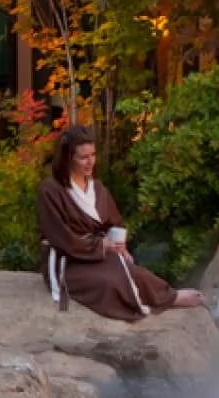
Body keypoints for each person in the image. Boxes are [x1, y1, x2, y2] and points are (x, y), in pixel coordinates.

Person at [38, 126, 205, 321]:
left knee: (133, 271)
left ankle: (171, 296)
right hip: (69, 260)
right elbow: (61, 237)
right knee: (109, 283)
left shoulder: (97, 188)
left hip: (96, 253)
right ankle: (164, 299)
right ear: (68, 158)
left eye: (93, 155)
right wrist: (101, 245)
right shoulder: (51, 191)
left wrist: (120, 247)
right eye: (84, 157)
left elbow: (114, 223)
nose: (90, 161)